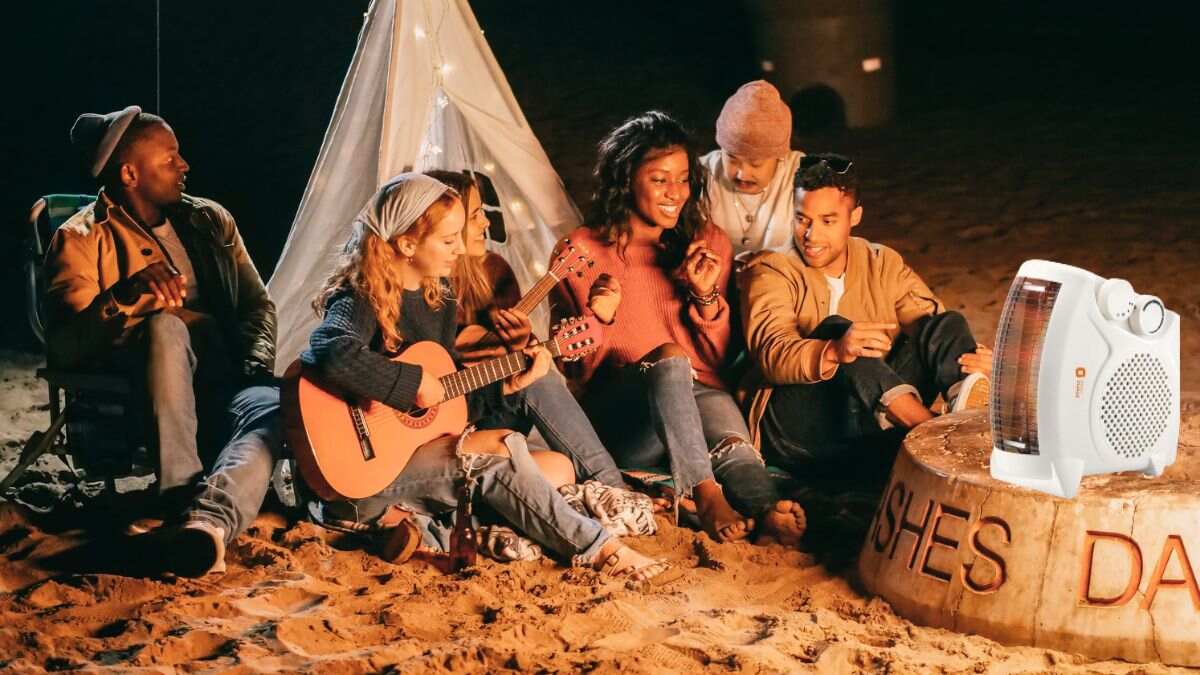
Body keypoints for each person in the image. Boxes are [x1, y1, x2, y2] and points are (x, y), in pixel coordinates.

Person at [300, 172, 671, 581]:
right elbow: (329, 349)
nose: (460, 248)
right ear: (406, 245)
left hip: (411, 458)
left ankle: (419, 526)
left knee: (557, 468)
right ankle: (600, 549)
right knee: (496, 454)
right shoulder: (361, 296)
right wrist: (410, 384)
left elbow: (446, 409)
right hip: (361, 477)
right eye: (448, 240)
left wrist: (506, 387)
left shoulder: (438, 299)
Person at [44, 106, 282, 577]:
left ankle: (206, 518)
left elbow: (257, 305)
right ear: (130, 173)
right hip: (150, 389)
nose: (184, 166)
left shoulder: (210, 221)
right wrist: (125, 296)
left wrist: (254, 363)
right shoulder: (81, 239)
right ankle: (181, 494)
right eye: (170, 158)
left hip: (227, 372)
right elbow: (66, 346)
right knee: (165, 326)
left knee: (273, 405)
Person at [551, 111, 807, 547]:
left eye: (684, 179)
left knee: (732, 444)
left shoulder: (707, 242)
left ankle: (766, 511)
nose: (676, 193)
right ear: (626, 180)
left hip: (697, 394)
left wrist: (705, 297)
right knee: (669, 357)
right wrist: (601, 318)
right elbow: (575, 370)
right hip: (625, 414)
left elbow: (715, 361)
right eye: (659, 180)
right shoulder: (580, 252)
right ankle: (705, 495)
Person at [739, 153, 992, 474]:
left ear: (854, 216)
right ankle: (935, 432)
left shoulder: (880, 262)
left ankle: (964, 413)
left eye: (828, 221)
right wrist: (835, 350)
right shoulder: (771, 269)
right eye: (802, 219)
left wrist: (975, 362)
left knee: (947, 323)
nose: (811, 235)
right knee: (840, 331)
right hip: (796, 430)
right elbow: (772, 356)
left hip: (866, 415)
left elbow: (935, 334)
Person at [426, 169, 531, 366]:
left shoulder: (494, 269)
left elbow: (510, 357)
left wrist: (520, 343)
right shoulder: (414, 285)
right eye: (474, 216)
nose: (486, 222)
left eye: (482, 212)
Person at [701, 81, 805, 257]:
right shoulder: (703, 172)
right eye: (732, 159)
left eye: (755, 163)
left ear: (779, 156)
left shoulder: (800, 175)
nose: (742, 174)